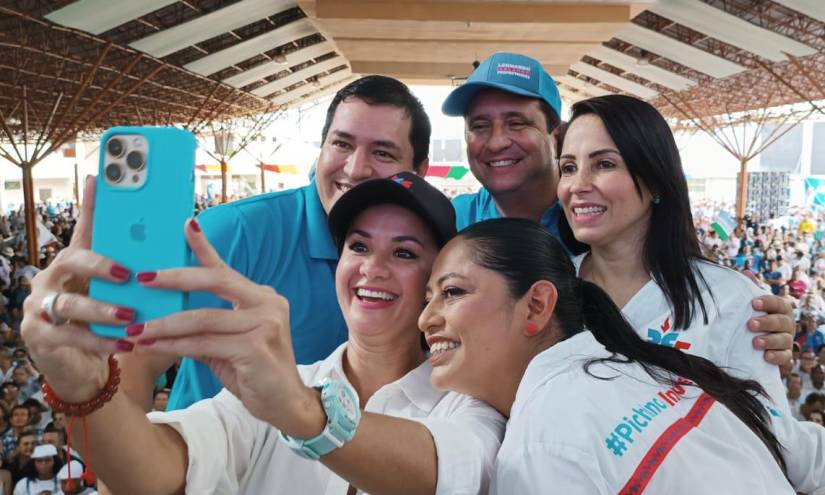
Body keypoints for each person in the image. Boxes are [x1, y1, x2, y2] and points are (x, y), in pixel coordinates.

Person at [21, 173, 503, 494]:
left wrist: (299, 409)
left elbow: (449, 473)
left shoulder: (469, 403)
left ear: (435, 281)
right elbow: (151, 473)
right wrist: (81, 386)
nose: (371, 268)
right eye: (358, 246)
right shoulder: (277, 388)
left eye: (404, 253)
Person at [441, 52, 794, 364]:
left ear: (555, 135)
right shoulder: (446, 223)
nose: (497, 141)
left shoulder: (603, 227)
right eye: (479, 126)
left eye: (517, 122)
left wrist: (750, 321)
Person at [555, 94, 825, 492]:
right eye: (568, 167)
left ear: (655, 178)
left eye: (605, 164)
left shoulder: (730, 300)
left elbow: (768, 439)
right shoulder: (549, 297)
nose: (578, 185)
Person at [120, 75, 434, 412]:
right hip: (217, 459)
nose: (356, 169)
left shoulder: (436, 251)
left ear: (420, 171)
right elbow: (134, 362)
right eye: (341, 144)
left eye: (383, 152)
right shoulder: (232, 233)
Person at [419, 218, 793, 493]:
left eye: (452, 292)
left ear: (536, 305)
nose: (426, 318)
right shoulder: (653, 368)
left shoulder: (544, 446)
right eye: (428, 298)